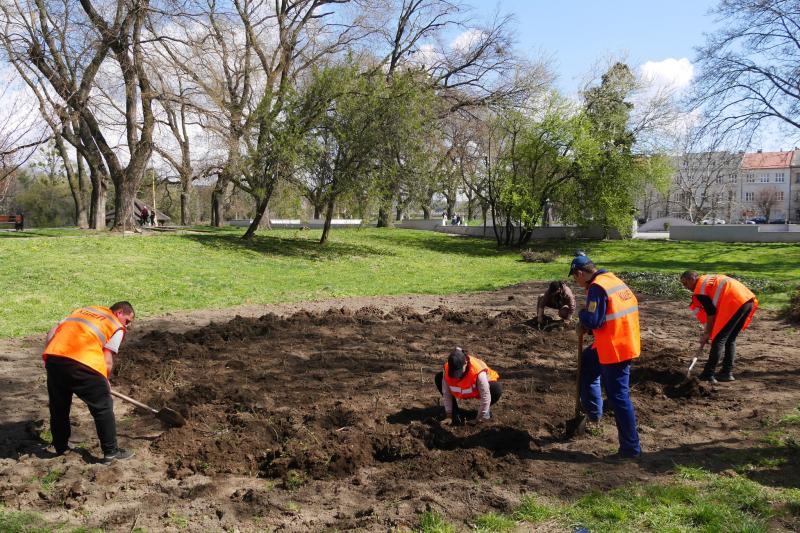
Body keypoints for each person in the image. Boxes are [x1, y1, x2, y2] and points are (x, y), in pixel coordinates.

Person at [42, 302, 136, 464]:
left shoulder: (83, 311)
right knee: (103, 407)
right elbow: (107, 360)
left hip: (54, 357)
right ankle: (111, 452)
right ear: (119, 312)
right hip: (84, 364)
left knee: (59, 407)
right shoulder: (115, 325)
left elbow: (52, 332)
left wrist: (51, 358)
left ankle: (61, 447)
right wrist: (104, 380)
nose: (127, 325)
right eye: (127, 320)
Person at [570, 253, 641, 460]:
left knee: (619, 397)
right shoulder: (613, 280)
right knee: (586, 365)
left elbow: (594, 320)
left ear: (580, 273)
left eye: (575, 278)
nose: (576, 282)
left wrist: (581, 317)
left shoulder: (597, 288)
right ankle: (593, 414)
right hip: (618, 341)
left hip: (614, 348)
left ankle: (630, 448)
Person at [679, 271, 757, 383]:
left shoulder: (700, 290)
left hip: (734, 304)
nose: (685, 287)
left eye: (685, 283)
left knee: (719, 340)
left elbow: (711, 312)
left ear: (692, 279)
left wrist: (707, 333)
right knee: (730, 339)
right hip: (747, 301)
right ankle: (726, 373)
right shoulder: (707, 280)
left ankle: (708, 374)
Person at [434, 347, 502, 425]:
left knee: (496, 389)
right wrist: (449, 415)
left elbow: (485, 397)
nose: (456, 375)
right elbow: (446, 394)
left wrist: (478, 419)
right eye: (453, 372)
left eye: (459, 371)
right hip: (463, 390)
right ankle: (454, 415)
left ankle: (484, 414)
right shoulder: (447, 369)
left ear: (465, 362)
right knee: (439, 378)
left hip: (478, 390)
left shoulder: (478, 373)